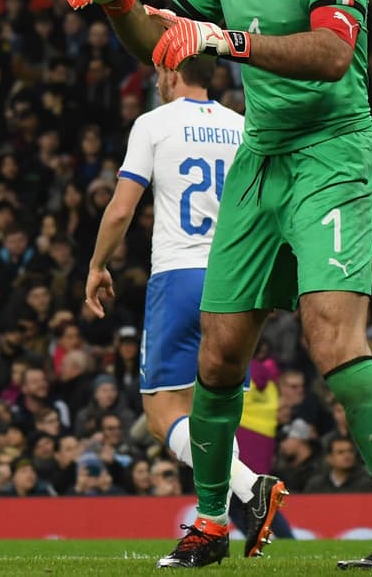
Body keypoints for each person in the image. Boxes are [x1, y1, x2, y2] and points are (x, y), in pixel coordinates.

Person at [65, 0, 372, 570]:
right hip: (260, 158)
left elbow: (334, 55)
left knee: (333, 336)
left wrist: (227, 39)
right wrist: (118, 3)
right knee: (217, 356)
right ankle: (209, 523)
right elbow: (166, 43)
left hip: (331, 152)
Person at [85, 56, 286, 557]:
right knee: (214, 410)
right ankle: (217, 522)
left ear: (172, 73)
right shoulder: (243, 127)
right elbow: (269, 207)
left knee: (160, 413)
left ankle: (248, 487)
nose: (156, 79)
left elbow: (123, 206)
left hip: (178, 276)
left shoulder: (153, 123)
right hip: (235, 279)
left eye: (158, 71)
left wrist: (97, 265)